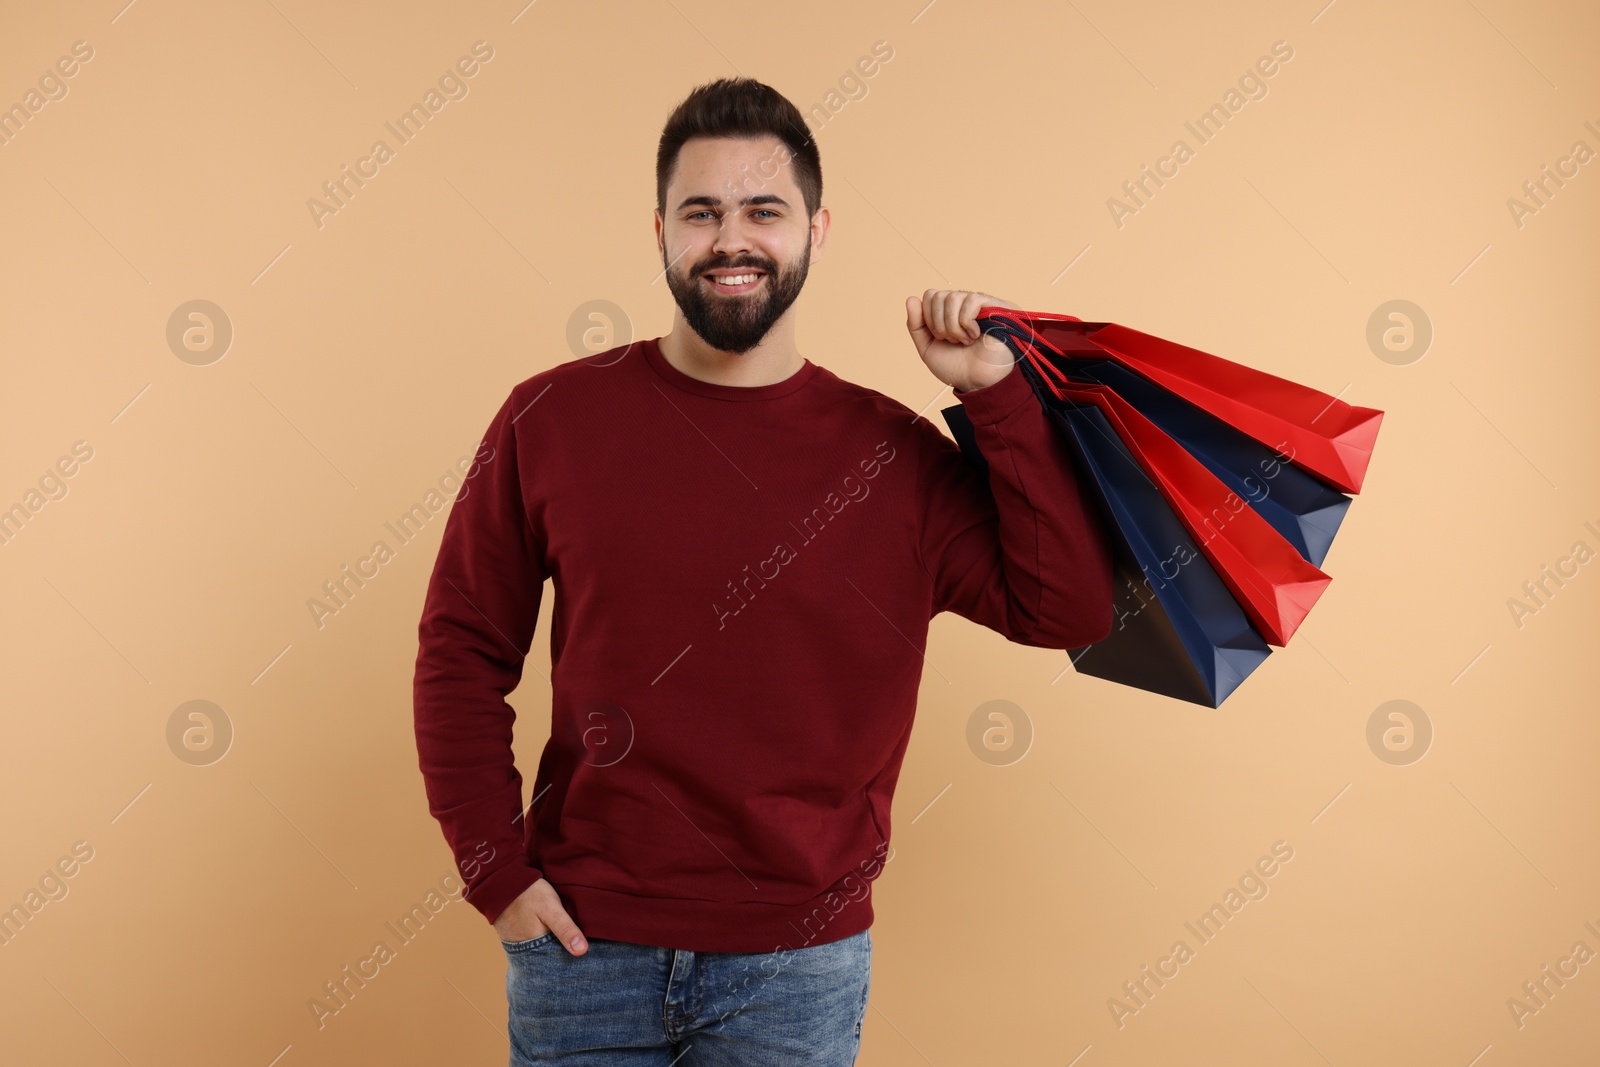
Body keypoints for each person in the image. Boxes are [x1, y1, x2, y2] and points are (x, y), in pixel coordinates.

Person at [412, 75, 1113, 1066]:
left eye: (763, 211)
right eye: (701, 212)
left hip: (796, 966)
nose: (730, 240)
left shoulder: (895, 455)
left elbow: (1067, 606)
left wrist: (997, 401)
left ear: (817, 230)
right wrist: (494, 870)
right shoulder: (550, 419)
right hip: (583, 950)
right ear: (659, 229)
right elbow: (461, 646)